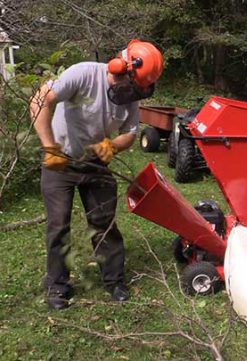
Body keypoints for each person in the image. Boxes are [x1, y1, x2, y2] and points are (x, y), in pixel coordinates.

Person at [30, 39, 163, 310]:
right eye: (131, 86)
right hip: (60, 160)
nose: (131, 94)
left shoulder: (129, 96)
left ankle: (114, 281)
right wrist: (48, 146)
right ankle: (57, 285)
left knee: (104, 223)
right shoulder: (82, 74)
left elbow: (129, 133)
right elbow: (40, 101)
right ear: (118, 68)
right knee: (58, 225)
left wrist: (113, 145)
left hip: (96, 164)